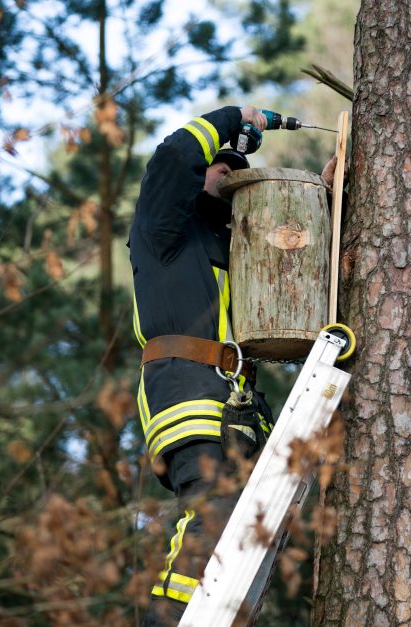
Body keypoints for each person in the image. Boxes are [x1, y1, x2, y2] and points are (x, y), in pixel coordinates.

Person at [128, 105, 274, 626]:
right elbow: (173, 156)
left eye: (238, 167)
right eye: (220, 165)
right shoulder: (164, 228)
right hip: (187, 392)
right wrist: (237, 115)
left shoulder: (231, 248)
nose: (229, 172)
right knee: (213, 515)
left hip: (234, 408)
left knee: (244, 540)